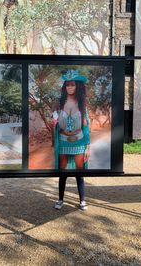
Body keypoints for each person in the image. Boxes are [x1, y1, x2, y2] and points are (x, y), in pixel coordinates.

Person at [54, 70, 90, 211]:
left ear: (77, 86)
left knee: (79, 173)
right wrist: (55, 123)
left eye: (72, 85)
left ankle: (82, 200)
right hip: (63, 142)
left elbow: (86, 128)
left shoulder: (82, 105)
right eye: (67, 85)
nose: (70, 87)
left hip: (79, 142)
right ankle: (60, 199)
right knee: (62, 173)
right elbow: (56, 122)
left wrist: (88, 146)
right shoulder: (60, 103)